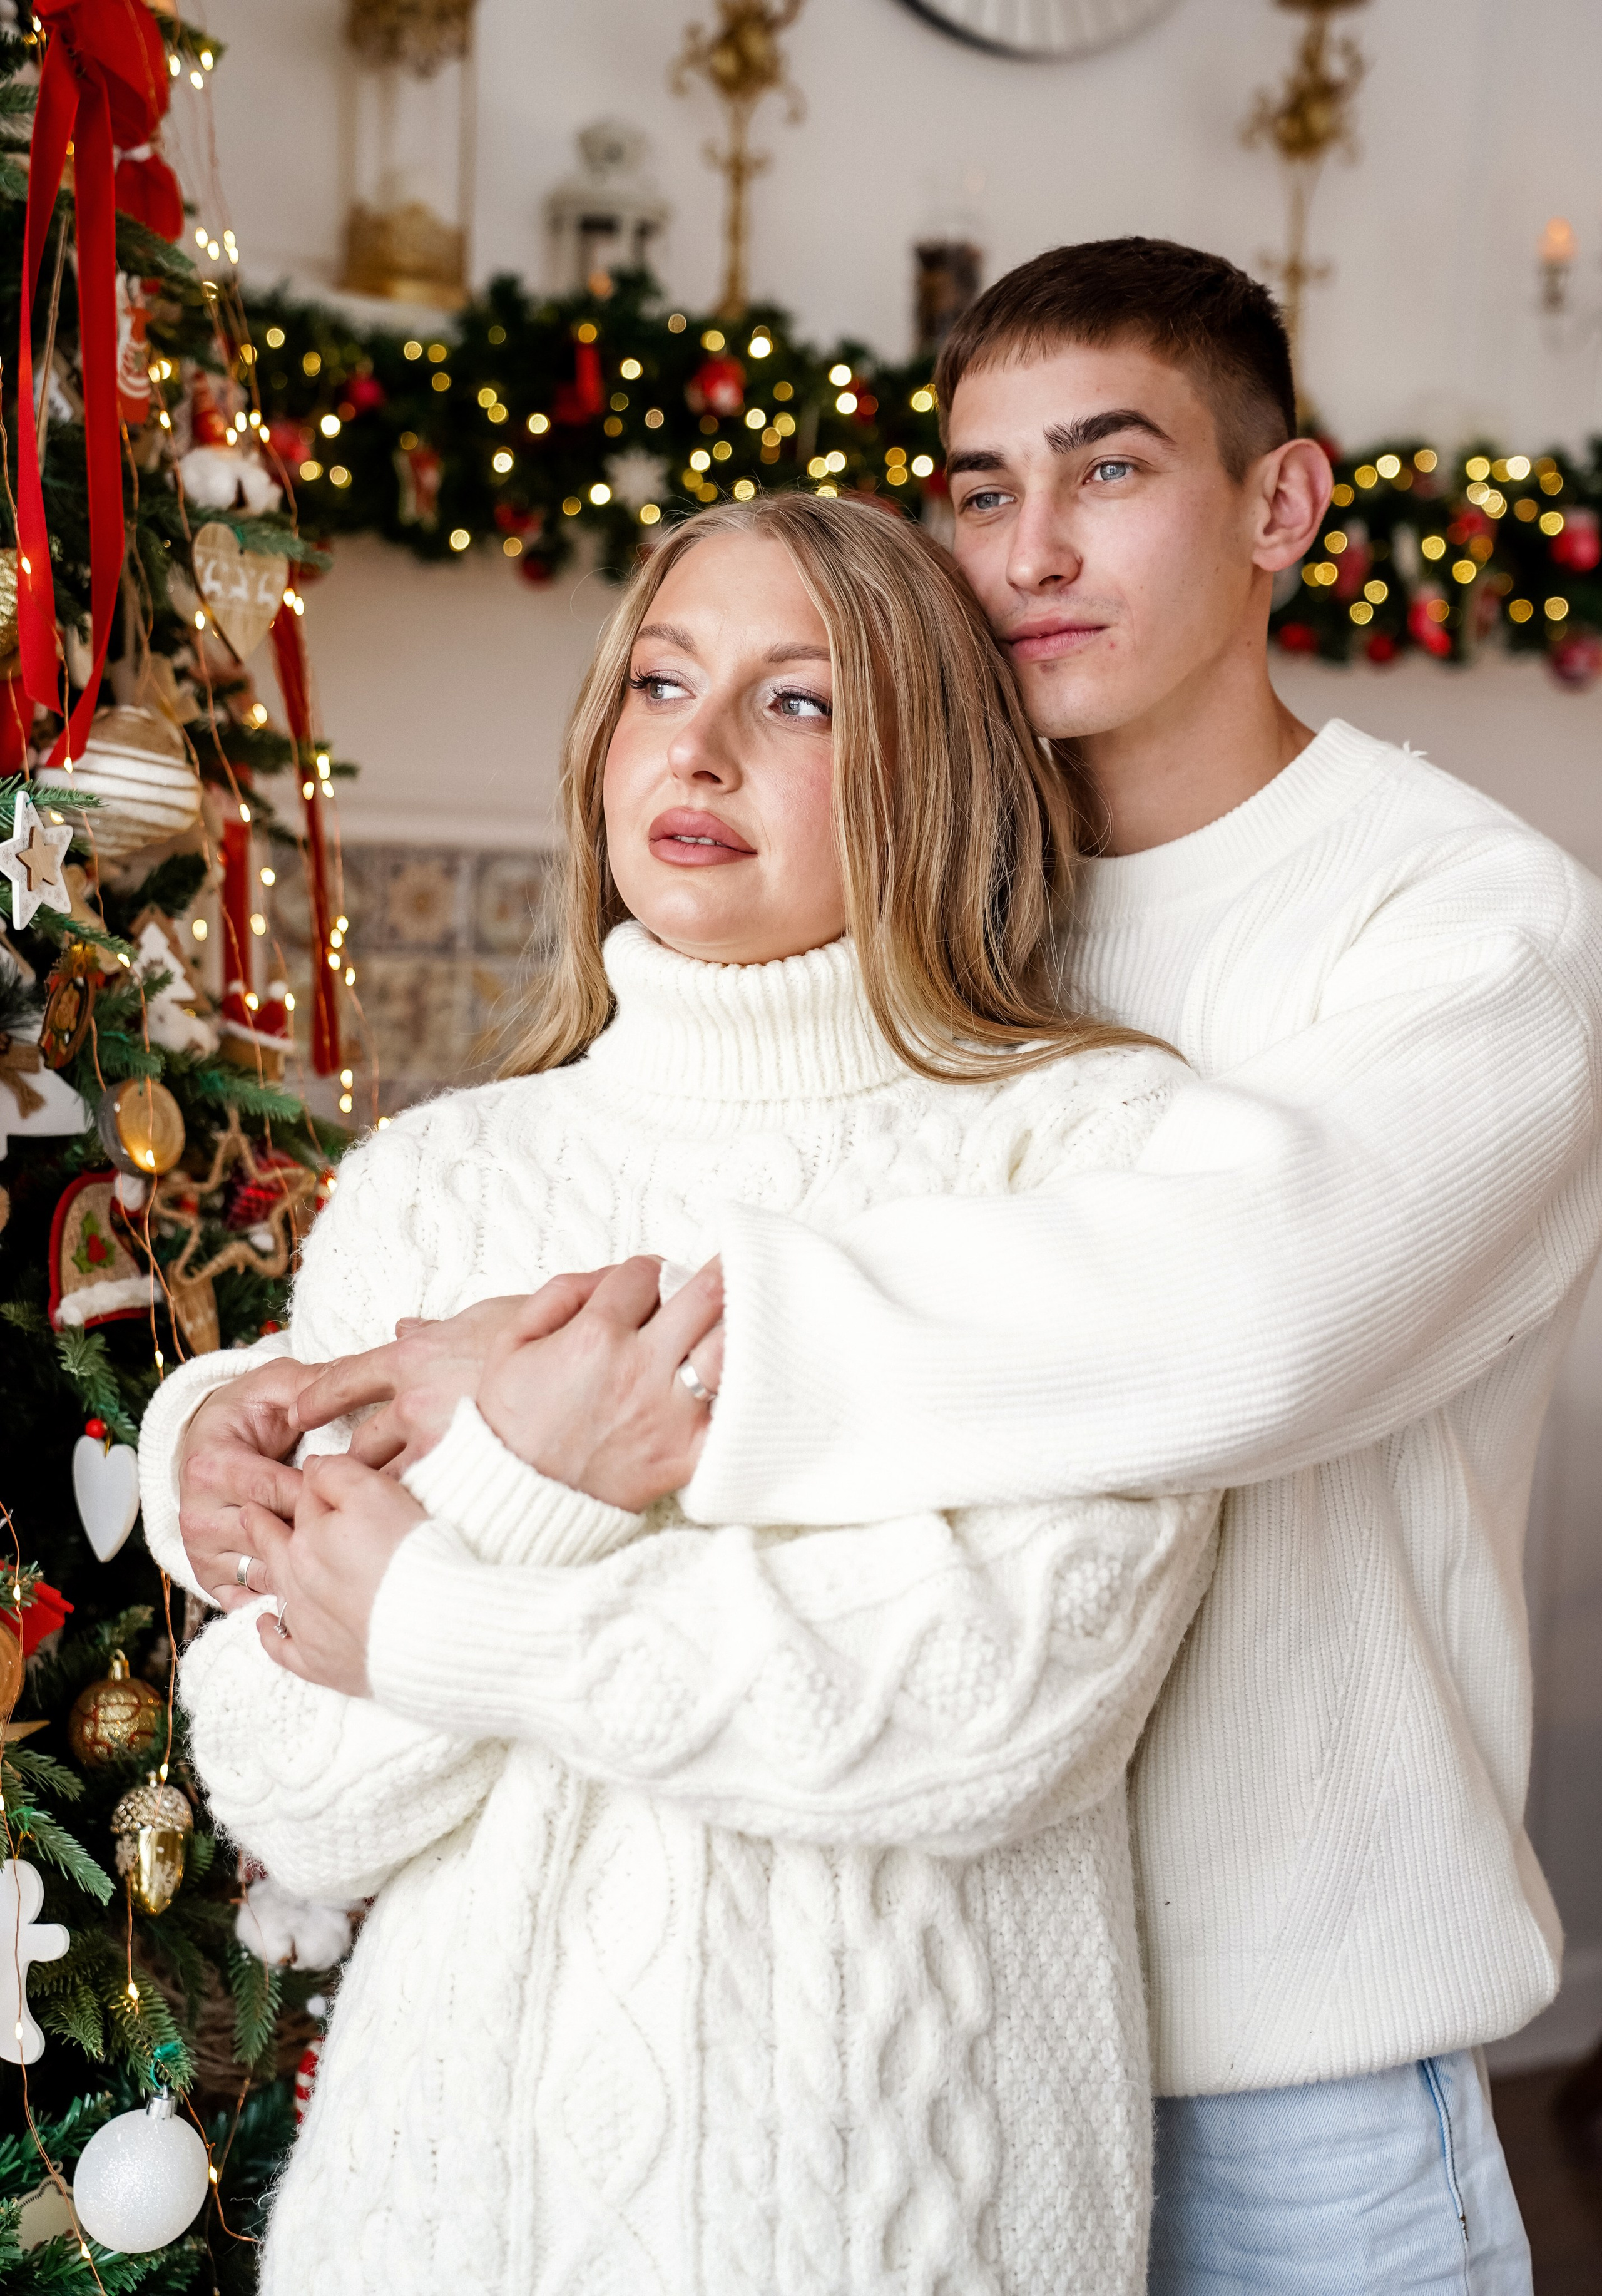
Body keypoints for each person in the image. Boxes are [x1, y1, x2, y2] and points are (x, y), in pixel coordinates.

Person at [145, 492, 1220, 2293]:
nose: (697, 747)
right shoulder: (439, 1184)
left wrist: (450, 1607)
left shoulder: (1086, 1151)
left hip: (894, 2224)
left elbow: (992, 1704)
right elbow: (293, 1785)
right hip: (438, 2228)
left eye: (798, 700)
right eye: (660, 680)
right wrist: (530, 1480)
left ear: (934, 764)